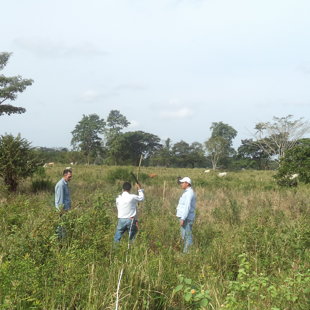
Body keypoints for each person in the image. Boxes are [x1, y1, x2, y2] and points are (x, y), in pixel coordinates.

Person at [176, 177, 196, 253]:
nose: (181, 184)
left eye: (182, 182)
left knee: (187, 236)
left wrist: (183, 218)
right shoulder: (187, 192)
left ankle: (187, 254)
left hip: (186, 218)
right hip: (185, 218)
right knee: (184, 236)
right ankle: (186, 252)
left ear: (187, 183)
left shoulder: (189, 193)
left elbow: (187, 207)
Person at [55, 169, 72, 238]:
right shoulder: (61, 185)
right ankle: (59, 242)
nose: (70, 178)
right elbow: (60, 200)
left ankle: (61, 242)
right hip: (62, 211)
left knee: (63, 227)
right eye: (69, 176)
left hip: (65, 210)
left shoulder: (65, 183)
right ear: (65, 175)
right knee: (61, 228)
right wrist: (61, 211)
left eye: (71, 176)